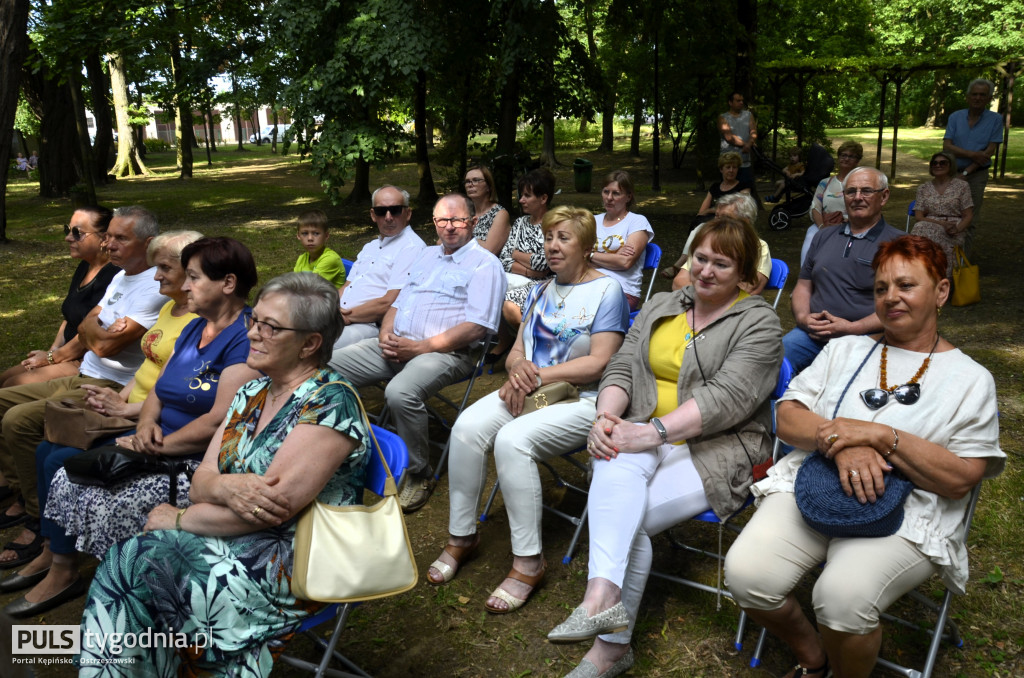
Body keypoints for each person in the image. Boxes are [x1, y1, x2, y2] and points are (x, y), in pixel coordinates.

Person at [725, 236, 1004, 678]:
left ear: (942, 292)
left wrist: (880, 435)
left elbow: (959, 479)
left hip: (909, 509)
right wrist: (843, 442)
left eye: (906, 285)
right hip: (816, 482)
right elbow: (787, 416)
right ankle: (813, 656)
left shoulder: (972, 380)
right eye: (880, 288)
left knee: (841, 598)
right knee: (747, 576)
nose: (890, 297)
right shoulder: (845, 349)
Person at [76, 273, 369, 676]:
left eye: (271, 327)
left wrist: (177, 518)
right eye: (255, 321)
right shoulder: (252, 392)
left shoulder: (329, 402)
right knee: (135, 564)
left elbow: (271, 511)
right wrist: (226, 485)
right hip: (235, 537)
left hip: (295, 560)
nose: (253, 334)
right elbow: (201, 483)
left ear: (310, 343)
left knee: (137, 560)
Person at [546, 216, 783, 678]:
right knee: (617, 468)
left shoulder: (759, 322)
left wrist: (652, 432)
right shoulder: (663, 303)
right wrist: (607, 418)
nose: (706, 271)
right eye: (700, 258)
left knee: (624, 517)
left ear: (744, 276)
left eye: (721, 263)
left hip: (717, 446)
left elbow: (727, 398)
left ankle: (608, 644)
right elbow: (621, 369)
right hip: (642, 425)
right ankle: (603, 600)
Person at [428, 206, 629, 614]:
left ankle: (528, 562)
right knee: (466, 427)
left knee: (512, 440)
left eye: (564, 239)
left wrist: (536, 375)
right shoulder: (540, 289)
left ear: (587, 247)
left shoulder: (608, 292)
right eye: (549, 238)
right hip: (535, 392)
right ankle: (462, 536)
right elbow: (516, 351)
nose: (552, 247)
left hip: (584, 398)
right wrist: (520, 371)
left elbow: (600, 362)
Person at [0, 231, 209, 615]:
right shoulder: (171, 309)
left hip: (152, 420)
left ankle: (61, 566)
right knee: (47, 444)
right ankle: (51, 545)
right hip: (126, 401)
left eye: (165, 267)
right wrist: (121, 398)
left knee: (55, 456)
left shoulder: (202, 322)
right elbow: (149, 366)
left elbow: (180, 391)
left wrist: (131, 410)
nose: (156, 276)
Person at [0, 206, 167, 566]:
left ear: (149, 243)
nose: (111, 244)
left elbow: (105, 344)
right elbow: (89, 325)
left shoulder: (155, 285)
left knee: (19, 421)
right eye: (110, 236)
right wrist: (87, 334)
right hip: (82, 372)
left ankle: (38, 519)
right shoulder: (121, 276)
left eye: (121, 238)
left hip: (108, 382)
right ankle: (19, 491)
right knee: (4, 400)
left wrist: (94, 330)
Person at [330, 194, 505, 512]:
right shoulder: (426, 256)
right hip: (395, 344)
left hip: (446, 353)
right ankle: (339, 443)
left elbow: (478, 327)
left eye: (457, 220)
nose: (449, 227)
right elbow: (398, 301)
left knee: (400, 393)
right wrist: (385, 331)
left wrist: (420, 347)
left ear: (473, 222)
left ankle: (419, 472)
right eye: (442, 221)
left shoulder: (485, 266)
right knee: (327, 367)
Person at [783, 167, 904, 374]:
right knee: (772, 362)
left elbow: (902, 306)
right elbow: (803, 285)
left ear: (883, 196)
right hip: (812, 334)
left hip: (867, 337)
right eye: (851, 192)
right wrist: (804, 318)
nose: (857, 198)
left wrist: (852, 328)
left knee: (843, 386)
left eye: (866, 191)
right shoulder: (823, 236)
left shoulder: (899, 245)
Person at [0, 207, 119, 388]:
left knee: (12, 384)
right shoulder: (84, 267)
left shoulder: (114, 277)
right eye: (68, 230)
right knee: (4, 379)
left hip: (85, 359)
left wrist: (51, 358)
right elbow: (69, 319)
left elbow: (91, 334)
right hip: (64, 354)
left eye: (77, 232)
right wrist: (52, 351)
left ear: (104, 239)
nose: (68, 237)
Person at [335, 185, 426, 351]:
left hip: (369, 324)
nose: (388, 217)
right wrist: (329, 309)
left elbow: (389, 302)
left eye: (396, 210)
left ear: (408, 213)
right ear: (372, 215)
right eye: (381, 211)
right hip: (340, 317)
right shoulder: (370, 246)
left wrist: (344, 318)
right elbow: (347, 286)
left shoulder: (411, 248)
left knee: (314, 345)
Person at [489, 168, 556, 361]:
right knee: (487, 290)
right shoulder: (520, 223)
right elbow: (504, 258)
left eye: (527, 196)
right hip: (521, 279)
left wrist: (516, 255)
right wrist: (529, 269)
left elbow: (545, 263)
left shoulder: (554, 224)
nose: (521, 200)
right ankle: (506, 339)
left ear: (543, 198)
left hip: (546, 284)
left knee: (508, 304)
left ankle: (536, 345)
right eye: (521, 195)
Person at [661, 154, 749, 281]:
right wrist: (716, 211)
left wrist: (714, 210)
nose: (731, 170)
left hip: (733, 225)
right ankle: (685, 266)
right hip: (713, 223)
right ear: (721, 169)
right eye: (728, 167)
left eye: (734, 167)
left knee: (701, 228)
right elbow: (701, 212)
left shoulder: (743, 187)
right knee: (699, 228)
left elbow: (743, 209)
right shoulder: (715, 187)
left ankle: (679, 266)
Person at [672, 193, 772, 296]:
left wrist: (700, 291)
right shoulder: (707, 244)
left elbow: (749, 289)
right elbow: (678, 282)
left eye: (725, 217)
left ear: (745, 222)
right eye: (716, 216)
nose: (716, 222)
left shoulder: (758, 247)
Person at [943, 78, 1002, 242]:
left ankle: (963, 264)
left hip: (976, 175)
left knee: (969, 219)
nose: (978, 98)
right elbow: (947, 146)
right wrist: (973, 154)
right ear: (968, 97)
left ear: (989, 98)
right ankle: (944, 257)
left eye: (982, 95)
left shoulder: (995, 119)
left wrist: (967, 171)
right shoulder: (955, 117)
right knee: (945, 213)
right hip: (951, 172)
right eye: (974, 94)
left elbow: (989, 151)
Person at [591, 170, 654, 311]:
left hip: (622, 292)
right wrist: (614, 256)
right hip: (589, 285)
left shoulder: (637, 221)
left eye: (616, 193)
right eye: (606, 192)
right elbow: (576, 258)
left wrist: (590, 255)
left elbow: (625, 262)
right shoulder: (593, 221)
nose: (609, 198)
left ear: (629, 197)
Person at [910, 151, 973, 278]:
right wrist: (941, 224)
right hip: (929, 224)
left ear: (951, 166)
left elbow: (968, 215)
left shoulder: (962, 186)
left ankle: (941, 280)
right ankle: (921, 277)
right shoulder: (923, 188)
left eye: (943, 163)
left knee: (924, 236)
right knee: (920, 228)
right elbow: (919, 217)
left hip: (954, 226)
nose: (938, 165)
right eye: (935, 163)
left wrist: (957, 228)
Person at [802, 141, 863, 266]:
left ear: (857, 161)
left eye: (851, 156)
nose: (846, 158)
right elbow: (815, 208)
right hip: (825, 224)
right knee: (810, 235)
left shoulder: (862, 184)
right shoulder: (825, 183)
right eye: (843, 155)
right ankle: (805, 275)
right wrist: (822, 228)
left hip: (850, 226)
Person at [293, 209, 346, 288]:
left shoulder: (330, 259)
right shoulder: (302, 259)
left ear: (326, 236)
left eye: (316, 233)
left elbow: (310, 288)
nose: (310, 238)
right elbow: (293, 285)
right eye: (305, 233)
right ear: (298, 236)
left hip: (329, 299)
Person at [466, 165, 511, 255]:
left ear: (488, 187)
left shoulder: (499, 214)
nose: (470, 184)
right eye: (467, 181)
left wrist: (459, 239)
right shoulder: (464, 212)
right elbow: (440, 242)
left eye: (476, 180)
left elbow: (489, 251)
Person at [719, 91, 758, 189]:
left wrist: (750, 143)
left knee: (745, 192)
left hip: (745, 162)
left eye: (742, 101)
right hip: (728, 164)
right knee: (728, 193)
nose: (741, 103)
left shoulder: (748, 115)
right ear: (730, 102)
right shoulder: (723, 118)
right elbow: (729, 137)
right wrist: (747, 144)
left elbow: (753, 132)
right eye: (738, 100)